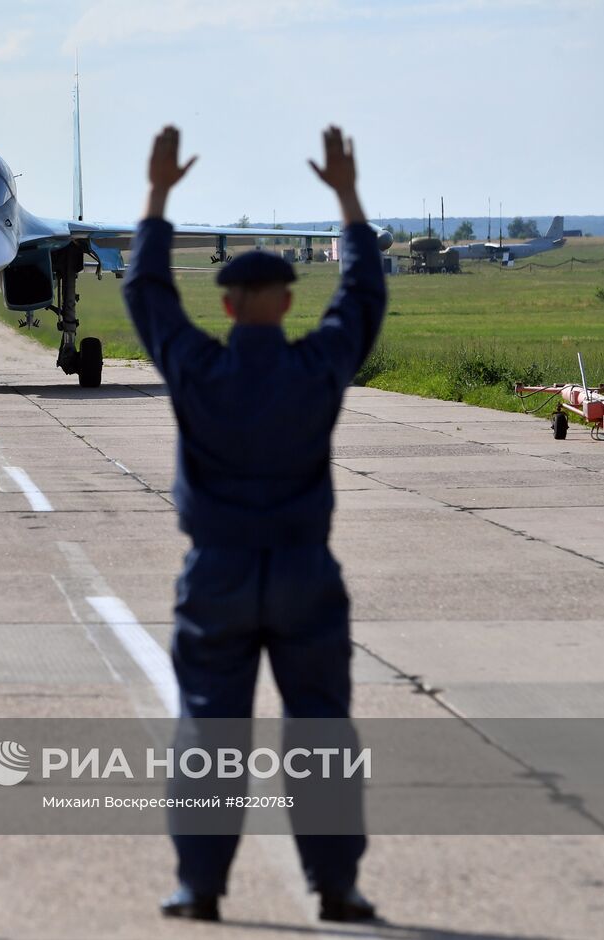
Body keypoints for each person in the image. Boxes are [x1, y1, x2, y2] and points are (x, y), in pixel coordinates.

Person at [122, 125, 386, 924]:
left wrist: (159, 194)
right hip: (305, 572)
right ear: (290, 303)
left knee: (210, 728)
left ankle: (199, 887)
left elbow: (146, 294)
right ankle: (336, 887)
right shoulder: (318, 367)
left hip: (219, 573)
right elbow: (364, 297)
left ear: (229, 305)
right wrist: (347, 198)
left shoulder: (198, 368)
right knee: (322, 731)